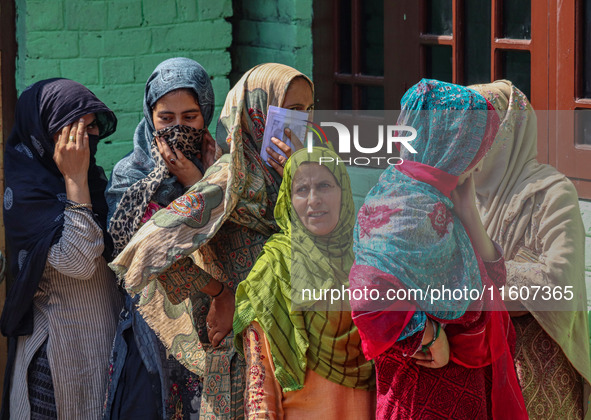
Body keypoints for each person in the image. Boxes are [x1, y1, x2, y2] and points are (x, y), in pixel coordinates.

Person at [109, 63, 314, 419]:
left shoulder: (283, 170)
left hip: (280, 335)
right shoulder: (227, 175)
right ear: (257, 111)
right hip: (220, 336)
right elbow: (146, 249)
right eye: (289, 111)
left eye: (307, 111)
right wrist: (222, 295)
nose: (300, 122)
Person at [349, 79, 528, 419]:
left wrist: (469, 213)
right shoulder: (406, 205)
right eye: (474, 144)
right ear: (450, 145)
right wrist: (428, 337)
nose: (478, 158)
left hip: (467, 393)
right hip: (421, 396)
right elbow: (368, 294)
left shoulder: (439, 201)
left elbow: (494, 280)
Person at [1, 78, 122, 419]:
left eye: (91, 128)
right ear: (43, 134)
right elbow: (79, 260)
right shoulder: (28, 196)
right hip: (60, 360)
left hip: (105, 347)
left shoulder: (95, 183)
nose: (84, 142)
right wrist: (74, 181)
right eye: (73, 132)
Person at [469, 80, 591, 419]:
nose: (469, 142)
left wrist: (478, 280)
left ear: (509, 132)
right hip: (472, 370)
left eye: (482, 128)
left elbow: (558, 286)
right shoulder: (457, 193)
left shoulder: (552, 194)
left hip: (537, 377)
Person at [103, 57, 217, 419]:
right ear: (150, 115)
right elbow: (133, 255)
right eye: (166, 118)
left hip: (215, 328)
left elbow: (233, 244)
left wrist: (199, 183)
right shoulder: (129, 174)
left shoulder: (221, 166)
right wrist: (196, 194)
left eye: (190, 118)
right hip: (150, 331)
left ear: (206, 114)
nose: (178, 128)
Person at [233, 147, 375, 418]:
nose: (314, 200)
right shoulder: (274, 269)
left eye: (324, 186)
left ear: (343, 191)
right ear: (288, 198)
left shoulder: (368, 262)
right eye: (302, 190)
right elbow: (259, 385)